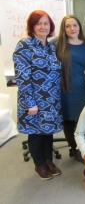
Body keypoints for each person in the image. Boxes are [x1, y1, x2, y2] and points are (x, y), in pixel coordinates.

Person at [13, 10, 63, 180]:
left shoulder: (51, 47)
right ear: (32, 26)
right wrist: (30, 103)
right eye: (39, 23)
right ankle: (39, 165)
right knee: (35, 133)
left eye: (46, 23)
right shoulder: (24, 46)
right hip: (33, 100)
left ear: (51, 27)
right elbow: (22, 77)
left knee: (48, 133)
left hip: (50, 100)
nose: (43, 27)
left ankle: (49, 161)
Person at [56, 15, 85, 160]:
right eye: (68, 26)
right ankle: (74, 148)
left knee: (83, 119)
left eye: (75, 25)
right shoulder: (56, 44)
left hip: (80, 88)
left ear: (79, 27)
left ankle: (83, 146)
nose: (72, 29)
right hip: (63, 88)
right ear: (63, 29)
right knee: (68, 120)